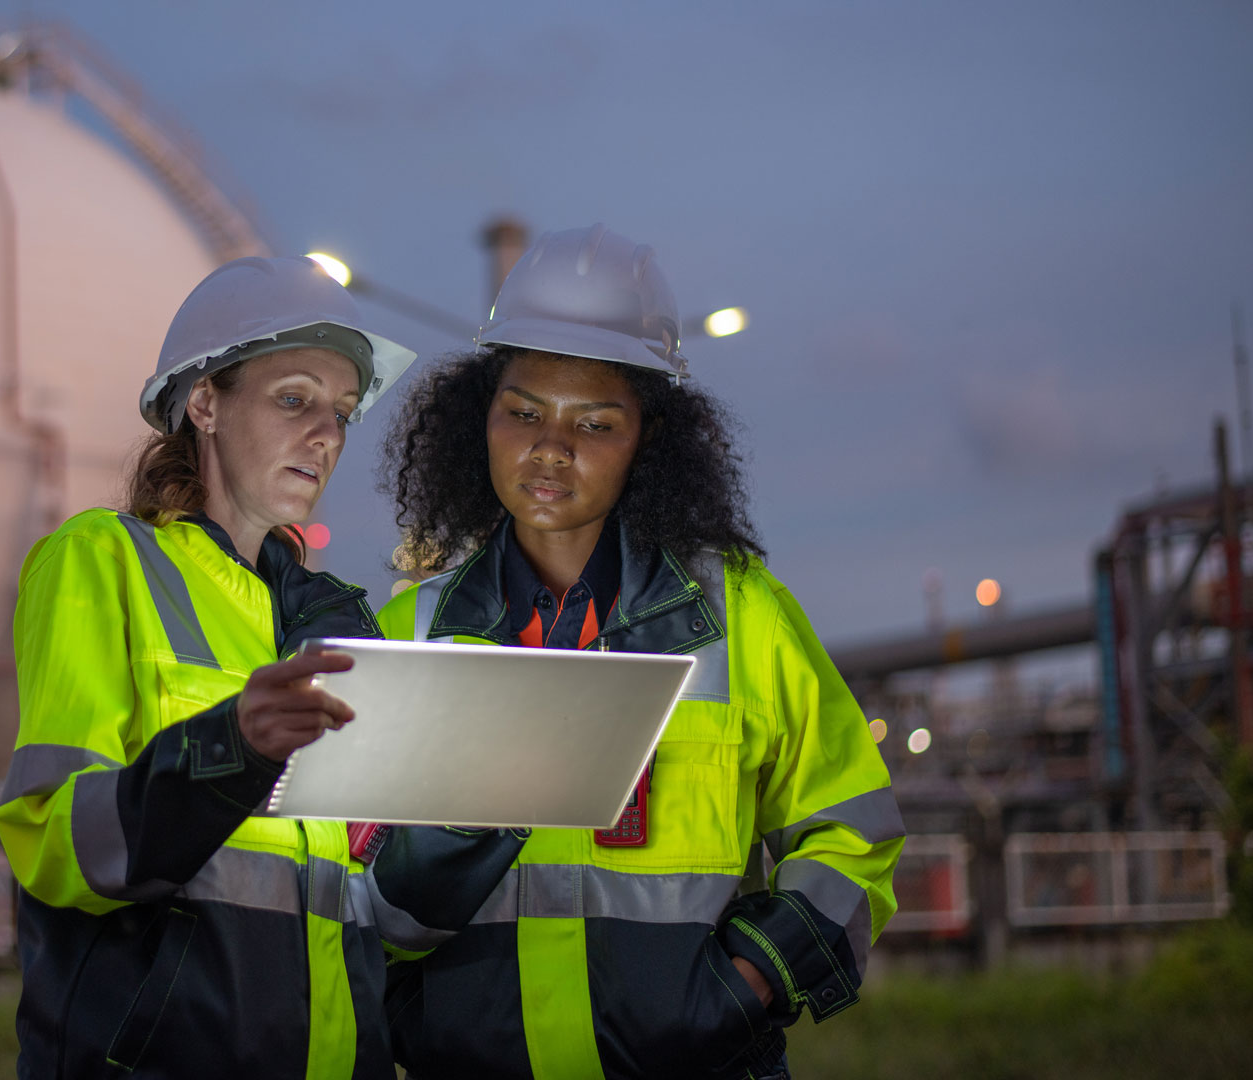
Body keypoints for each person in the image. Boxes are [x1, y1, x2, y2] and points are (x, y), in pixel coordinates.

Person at [375, 225, 904, 1080]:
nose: (551, 448)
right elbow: (351, 890)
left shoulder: (739, 617)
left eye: (595, 422)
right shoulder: (412, 633)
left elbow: (853, 831)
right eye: (522, 413)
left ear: (648, 441)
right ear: (481, 416)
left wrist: (749, 983)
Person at [0, 255, 518, 1079]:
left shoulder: (340, 625)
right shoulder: (102, 562)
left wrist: (484, 816)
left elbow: (385, 917)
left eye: (342, 412)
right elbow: (57, 845)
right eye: (293, 399)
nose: (326, 434)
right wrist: (228, 748)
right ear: (204, 401)